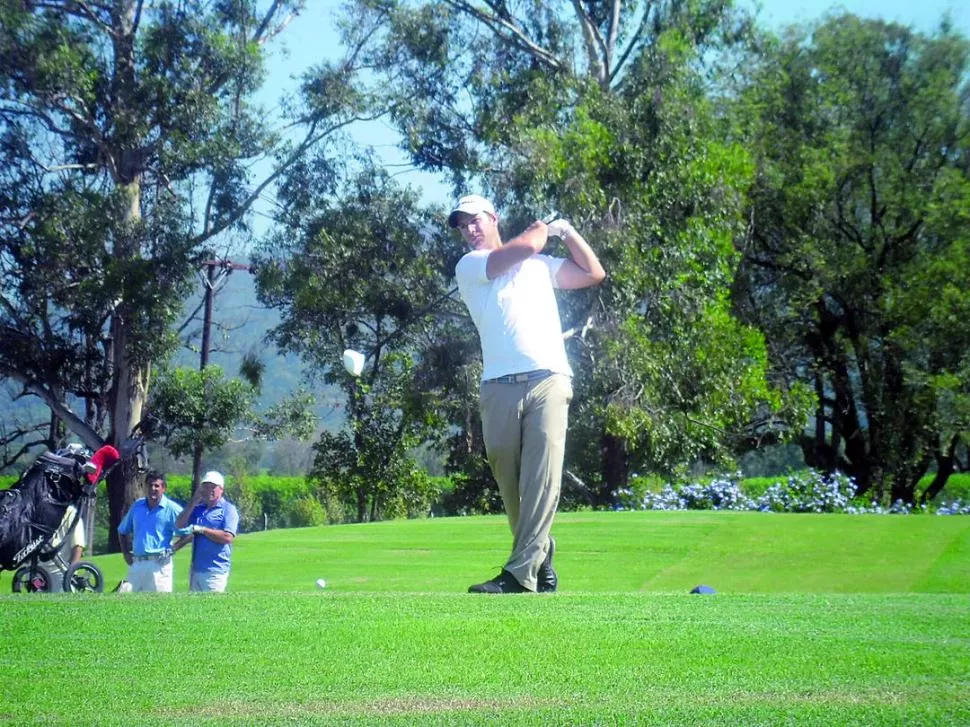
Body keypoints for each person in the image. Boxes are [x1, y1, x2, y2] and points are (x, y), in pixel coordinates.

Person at [448, 194, 606, 593]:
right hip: (499, 386)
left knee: (542, 476)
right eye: (463, 225)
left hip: (548, 379)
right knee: (508, 476)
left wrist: (566, 231)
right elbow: (527, 245)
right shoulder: (471, 266)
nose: (470, 230)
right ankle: (541, 551)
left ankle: (519, 575)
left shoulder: (540, 267)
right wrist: (541, 230)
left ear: (493, 218)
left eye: (475, 220)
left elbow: (592, 272)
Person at [117, 471, 187, 592]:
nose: (152, 489)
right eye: (149, 485)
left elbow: (189, 533)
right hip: (138, 564)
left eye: (156, 486)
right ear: (145, 487)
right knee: (131, 606)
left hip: (159, 565)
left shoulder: (172, 509)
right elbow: (122, 530)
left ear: (163, 488)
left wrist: (173, 549)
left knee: (159, 606)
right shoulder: (137, 506)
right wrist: (126, 553)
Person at [174, 470, 238, 592]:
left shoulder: (228, 509)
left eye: (213, 487)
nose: (210, 490)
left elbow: (227, 537)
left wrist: (203, 530)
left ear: (221, 489)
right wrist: (194, 501)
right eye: (206, 487)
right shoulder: (198, 509)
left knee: (212, 608)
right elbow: (180, 525)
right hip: (196, 570)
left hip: (216, 571)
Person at [46, 504, 87, 592]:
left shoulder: (71, 513)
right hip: (38, 574)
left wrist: (70, 573)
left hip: (61, 573)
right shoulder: (37, 511)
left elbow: (78, 546)